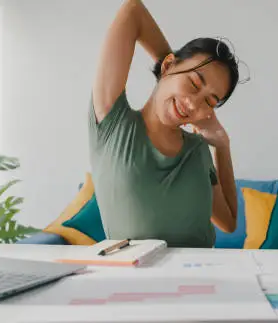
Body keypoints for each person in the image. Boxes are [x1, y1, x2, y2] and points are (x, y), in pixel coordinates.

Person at [88, 0, 243, 248]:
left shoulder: (197, 149)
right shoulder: (113, 122)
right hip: (131, 280)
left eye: (209, 102)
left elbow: (229, 223)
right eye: (193, 83)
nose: (193, 105)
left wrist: (222, 147)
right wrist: (167, 67)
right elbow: (133, 11)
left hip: (202, 278)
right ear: (169, 64)